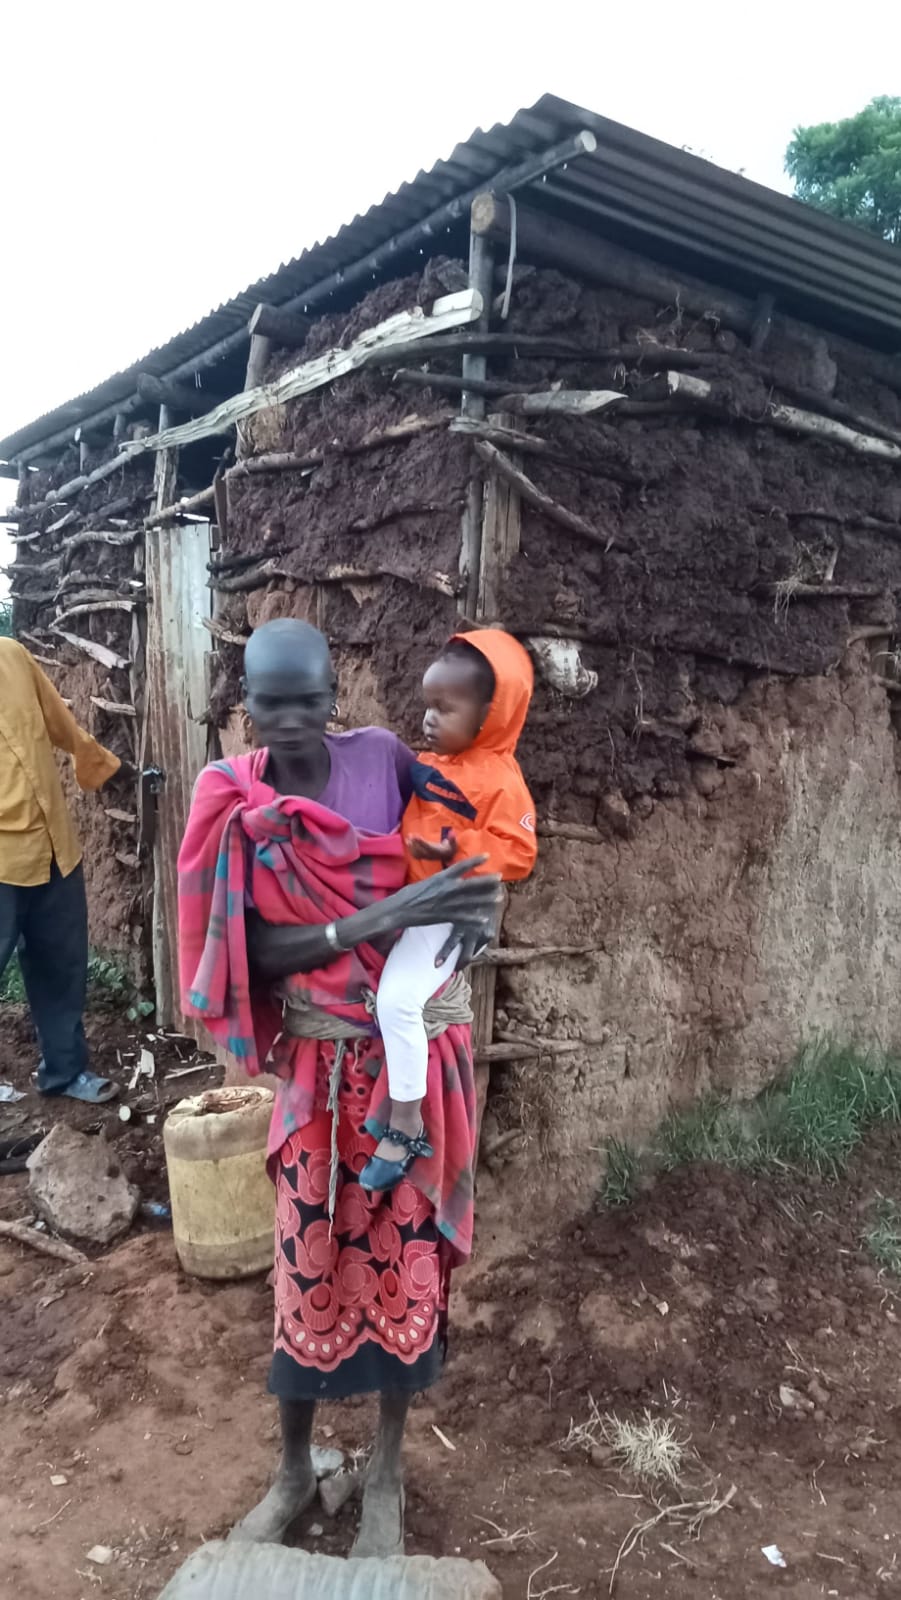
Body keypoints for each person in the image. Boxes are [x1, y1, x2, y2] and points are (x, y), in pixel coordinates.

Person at [177, 618, 501, 1557]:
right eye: (267, 702)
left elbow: (460, 847)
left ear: (332, 698)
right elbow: (245, 955)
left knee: (406, 1269)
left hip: (410, 1066)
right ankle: (294, 1469)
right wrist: (382, 912)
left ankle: (388, 1475)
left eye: (305, 700)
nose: (286, 719)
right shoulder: (230, 800)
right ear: (245, 702)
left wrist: (474, 908)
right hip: (317, 1073)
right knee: (303, 1268)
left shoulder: (385, 760)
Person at [359, 630, 536, 1193]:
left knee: (399, 1000)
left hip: (446, 910)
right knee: (380, 995)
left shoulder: (501, 782)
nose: (430, 719)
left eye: (446, 708)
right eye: (427, 705)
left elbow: (519, 851)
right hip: (416, 902)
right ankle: (392, 1097)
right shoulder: (439, 763)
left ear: (492, 713)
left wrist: (455, 849)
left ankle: (406, 1124)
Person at [0, 637, 128, 1104]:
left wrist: (100, 763)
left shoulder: (11, 656)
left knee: (61, 964)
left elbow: (60, 722)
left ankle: (65, 1072)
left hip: (53, 842)